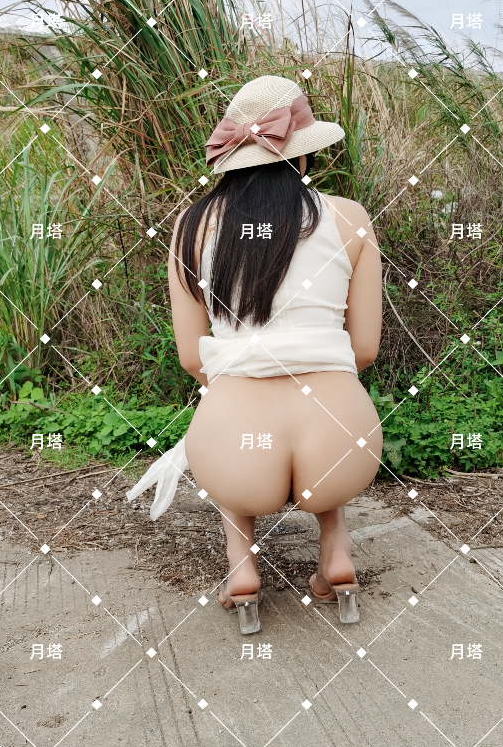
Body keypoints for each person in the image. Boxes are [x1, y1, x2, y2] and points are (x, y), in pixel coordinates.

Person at [127, 74, 382, 634]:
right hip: (343, 446)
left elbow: (192, 357)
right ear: (303, 154)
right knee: (325, 413)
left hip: (238, 452)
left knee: (224, 416)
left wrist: (241, 381)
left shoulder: (192, 225)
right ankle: (336, 551)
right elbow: (364, 348)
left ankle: (241, 566)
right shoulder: (350, 217)